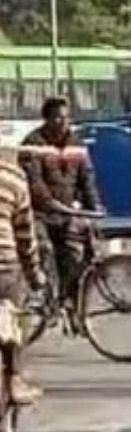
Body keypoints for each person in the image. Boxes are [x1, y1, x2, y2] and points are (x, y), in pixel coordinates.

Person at [21, 97, 100, 309]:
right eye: (56, 117)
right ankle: (45, 296)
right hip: (39, 215)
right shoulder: (33, 144)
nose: (61, 122)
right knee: (45, 250)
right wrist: (51, 203)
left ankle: (70, 303)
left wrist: (95, 209)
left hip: (66, 214)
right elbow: (34, 183)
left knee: (75, 256)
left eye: (65, 118)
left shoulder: (77, 144)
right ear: (46, 119)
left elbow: (87, 179)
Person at [0, 146, 45, 405]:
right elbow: (26, 238)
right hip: (5, 268)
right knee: (17, 317)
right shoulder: (14, 178)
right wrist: (34, 273)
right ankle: (15, 376)